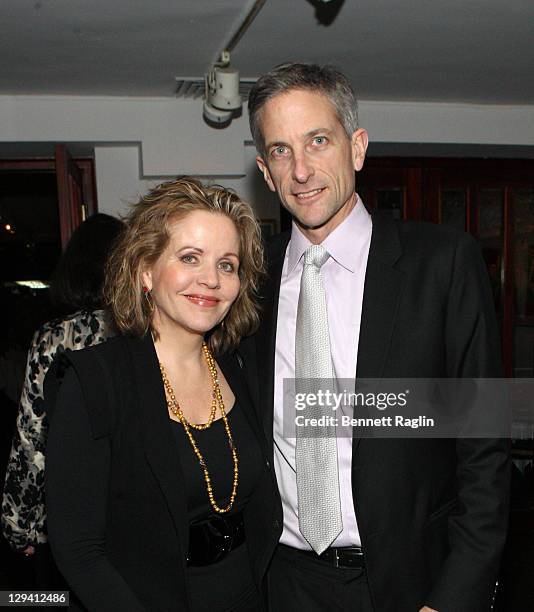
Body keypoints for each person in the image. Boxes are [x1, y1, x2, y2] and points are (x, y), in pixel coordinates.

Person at [247, 63, 510, 612]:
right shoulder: (249, 282)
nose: (301, 170)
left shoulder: (442, 263)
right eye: (280, 150)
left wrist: (455, 595)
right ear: (265, 173)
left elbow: (484, 448)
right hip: (282, 581)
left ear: (357, 147)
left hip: (413, 584)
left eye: (318, 140)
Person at [44, 178, 279, 611]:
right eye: (190, 258)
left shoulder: (240, 366)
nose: (211, 279)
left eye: (227, 265)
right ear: (145, 270)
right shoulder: (95, 382)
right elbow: (78, 550)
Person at [1, 213, 123, 586]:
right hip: (133, 501)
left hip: (73, 503)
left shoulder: (52, 338)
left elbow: (32, 438)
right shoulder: (144, 330)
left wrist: (19, 525)